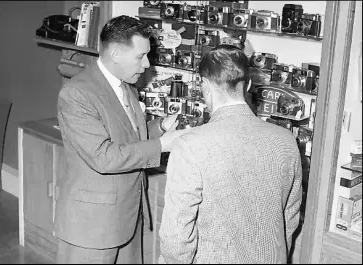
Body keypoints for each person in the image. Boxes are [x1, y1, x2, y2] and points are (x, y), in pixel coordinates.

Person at [55, 15, 189, 264]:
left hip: (127, 217)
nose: (147, 64)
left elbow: (128, 138)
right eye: (140, 56)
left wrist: (159, 127)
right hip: (92, 228)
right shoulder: (77, 93)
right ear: (115, 53)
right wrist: (162, 145)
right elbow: (104, 157)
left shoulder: (127, 85)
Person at [158, 45, 303, 264]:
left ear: (204, 85)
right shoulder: (286, 140)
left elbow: (176, 238)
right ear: (249, 85)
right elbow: (290, 219)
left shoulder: (189, 145)